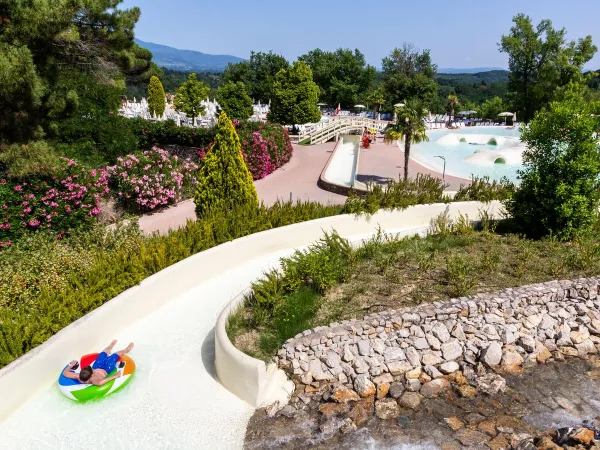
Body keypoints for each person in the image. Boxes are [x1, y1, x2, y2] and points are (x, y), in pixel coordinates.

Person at [62, 340, 134, 386]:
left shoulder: (78, 376)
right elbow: (100, 383)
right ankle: (127, 349)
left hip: (97, 366)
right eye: (92, 371)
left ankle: (111, 345)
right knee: (116, 354)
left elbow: (65, 373)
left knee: (103, 353)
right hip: (107, 368)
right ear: (92, 375)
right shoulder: (93, 379)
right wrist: (114, 376)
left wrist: (71, 365)